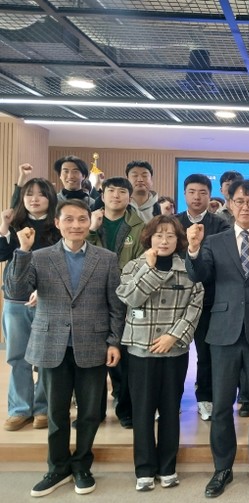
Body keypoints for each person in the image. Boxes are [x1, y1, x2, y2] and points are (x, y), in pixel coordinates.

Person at [5, 199, 125, 497]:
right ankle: (57, 468)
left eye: (82, 219)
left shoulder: (106, 258)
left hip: (93, 343)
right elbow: (17, 291)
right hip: (51, 344)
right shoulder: (39, 257)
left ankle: (82, 465)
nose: (76, 225)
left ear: (89, 223)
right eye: (68, 219)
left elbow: (116, 305)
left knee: (89, 414)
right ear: (57, 224)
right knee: (57, 413)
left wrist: (114, 342)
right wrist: (22, 251)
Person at [186, 179, 249, 499]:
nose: (246, 207)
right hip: (223, 332)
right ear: (230, 204)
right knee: (221, 407)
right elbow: (199, 275)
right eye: (240, 201)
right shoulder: (213, 241)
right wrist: (193, 249)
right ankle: (222, 468)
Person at [116, 215, 204, 492]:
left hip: (174, 350)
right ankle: (144, 469)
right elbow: (130, 298)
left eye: (170, 236)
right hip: (140, 350)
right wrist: (150, 269)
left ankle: (167, 467)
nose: (164, 241)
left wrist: (173, 336)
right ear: (148, 238)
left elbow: (195, 306)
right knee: (142, 412)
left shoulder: (188, 268)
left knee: (169, 410)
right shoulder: (134, 266)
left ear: (179, 240)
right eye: (158, 235)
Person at [1, 177, 61, 432]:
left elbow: (60, 264)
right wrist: (4, 227)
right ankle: (19, 409)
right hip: (15, 299)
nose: (34, 199)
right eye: (29, 194)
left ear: (50, 198)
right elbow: (2, 255)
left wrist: (42, 289)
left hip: (48, 299)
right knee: (17, 356)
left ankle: (42, 408)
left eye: (40, 194)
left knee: (46, 357)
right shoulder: (16, 225)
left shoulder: (58, 226)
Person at [87, 177, 146, 429]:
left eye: (122, 192)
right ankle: (94, 411)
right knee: (93, 357)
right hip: (92, 297)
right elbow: (82, 253)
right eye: (111, 191)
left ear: (129, 198)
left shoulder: (139, 226)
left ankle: (125, 410)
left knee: (123, 358)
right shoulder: (90, 221)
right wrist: (91, 229)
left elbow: (141, 263)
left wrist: (120, 282)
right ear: (102, 195)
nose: (116, 196)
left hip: (125, 298)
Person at [175, 174, 231, 422]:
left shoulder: (221, 225)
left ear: (210, 195)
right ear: (184, 194)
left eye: (202, 192)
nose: (197, 197)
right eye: (192, 192)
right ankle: (172, 398)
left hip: (209, 299)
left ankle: (205, 397)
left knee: (206, 353)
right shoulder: (173, 222)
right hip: (177, 298)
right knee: (175, 352)